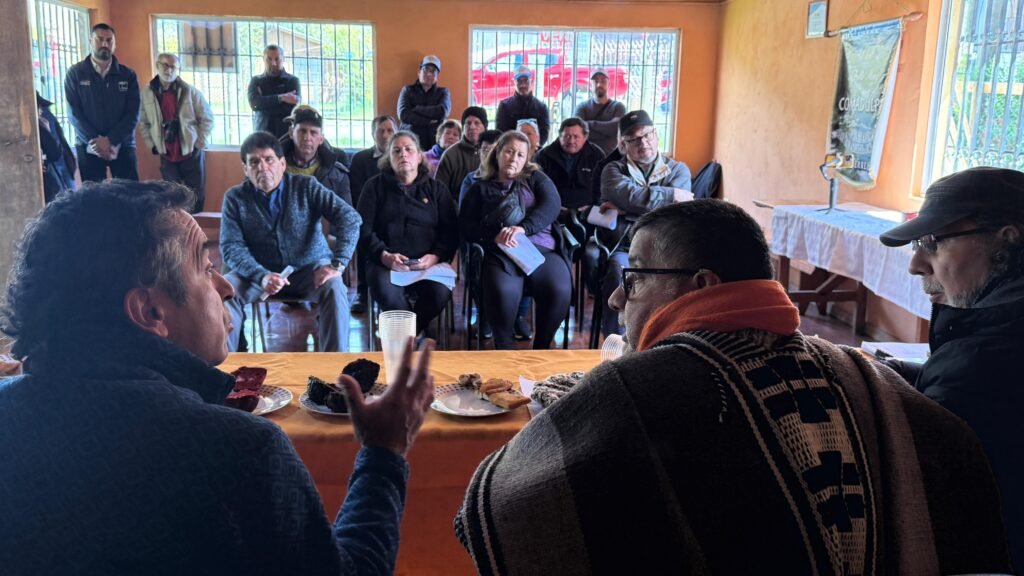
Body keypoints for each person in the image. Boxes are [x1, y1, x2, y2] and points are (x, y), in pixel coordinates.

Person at [456, 199, 1012, 575]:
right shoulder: (867, 377)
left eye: (635, 277)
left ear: (700, 286)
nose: (619, 298)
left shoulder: (631, 390)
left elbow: (499, 506)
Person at [0, 179, 437, 574]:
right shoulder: (241, 452)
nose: (226, 288)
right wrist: (383, 453)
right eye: (206, 269)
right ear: (150, 311)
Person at [879, 166, 1024, 569]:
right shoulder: (996, 334)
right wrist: (892, 372)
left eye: (932, 243)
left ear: (1006, 240)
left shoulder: (980, 367)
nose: (916, 264)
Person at [221, 131, 361, 353]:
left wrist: (338, 264)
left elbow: (350, 218)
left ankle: (334, 365)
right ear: (245, 169)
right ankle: (226, 365)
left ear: (282, 164)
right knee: (224, 290)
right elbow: (231, 247)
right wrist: (261, 275)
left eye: (269, 160)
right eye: (254, 162)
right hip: (259, 274)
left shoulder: (306, 186)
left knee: (334, 286)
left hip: (309, 270)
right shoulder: (235, 198)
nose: (262, 167)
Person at [459, 131, 571, 350]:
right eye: (509, 151)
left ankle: (541, 348)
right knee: (502, 294)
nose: (513, 158)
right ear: (497, 153)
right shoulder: (479, 187)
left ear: (526, 159)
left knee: (559, 289)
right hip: (501, 253)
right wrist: (492, 236)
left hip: (541, 249)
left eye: (520, 154)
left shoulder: (535, 179)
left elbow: (552, 204)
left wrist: (523, 228)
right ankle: (504, 350)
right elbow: (466, 225)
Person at [597, 110, 692, 338]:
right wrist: (671, 195)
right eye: (634, 139)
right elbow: (625, 194)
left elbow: (674, 212)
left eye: (647, 135)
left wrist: (628, 207)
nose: (643, 143)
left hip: (666, 246)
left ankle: (662, 342)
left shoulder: (678, 170)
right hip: (625, 245)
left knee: (680, 281)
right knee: (618, 275)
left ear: (656, 134)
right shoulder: (613, 169)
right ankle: (617, 343)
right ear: (623, 145)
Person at [358, 131, 458, 335]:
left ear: (419, 157)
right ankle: (412, 338)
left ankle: (408, 335)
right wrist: (384, 256)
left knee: (439, 293)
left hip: (428, 264)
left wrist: (435, 256)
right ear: (389, 159)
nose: (403, 154)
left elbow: (450, 232)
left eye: (408, 149)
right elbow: (363, 229)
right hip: (385, 262)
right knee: (388, 295)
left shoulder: (437, 190)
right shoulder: (373, 187)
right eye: (396, 151)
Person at [64, 23, 140, 182]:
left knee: (130, 193)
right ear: (91, 41)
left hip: (123, 144)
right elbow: (74, 113)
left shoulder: (128, 75)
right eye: (99, 39)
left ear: (115, 43)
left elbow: (133, 113)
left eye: (109, 40)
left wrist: (112, 140)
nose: (105, 44)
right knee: (93, 195)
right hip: (88, 144)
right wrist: (96, 141)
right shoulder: (75, 74)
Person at [139, 52, 213, 213]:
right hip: (166, 153)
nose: (169, 70)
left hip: (190, 151)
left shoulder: (189, 91)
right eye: (165, 65)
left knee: (196, 198)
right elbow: (143, 122)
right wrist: (153, 145)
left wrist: (198, 143)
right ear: (157, 66)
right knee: (171, 199)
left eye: (173, 67)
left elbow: (207, 118)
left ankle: (195, 228)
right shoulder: (147, 92)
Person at [349, 115, 398, 313]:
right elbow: (356, 192)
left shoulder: (401, 157)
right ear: (372, 134)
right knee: (363, 234)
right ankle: (363, 292)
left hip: (395, 215)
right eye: (381, 131)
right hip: (367, 215)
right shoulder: (361, 159)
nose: (385, 135)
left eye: (390, 130)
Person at [280, 105, 353, 206]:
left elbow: (347, 213)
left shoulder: (337, 175)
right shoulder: (273, 168)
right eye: (302, 131)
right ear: (291, 133)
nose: (307, 138)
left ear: (321, 139)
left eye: (313, 132)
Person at [536, 117, 606, 211]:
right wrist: (551, 205)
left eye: (576, 137)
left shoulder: (596, 155)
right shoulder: (544, 155)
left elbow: (605, 186)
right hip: (553, 209)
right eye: (567, 136)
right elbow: (536, 186)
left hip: (588, 209)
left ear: (585, 137)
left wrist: (594, 206)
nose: (571, 141)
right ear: (560, 135)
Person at [397, 55, 451, 150]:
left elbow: (443, 111)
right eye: (426, 70)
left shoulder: (443, 92)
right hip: (409, 142)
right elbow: (403, 114)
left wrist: (417, 109)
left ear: (437, 76)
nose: (429, 74)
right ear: (419, 72)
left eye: (433, 71)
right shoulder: (407, 90)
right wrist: (428, 121)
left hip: (434, 144)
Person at [435, 107, 488, 202]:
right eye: (468, 123)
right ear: (463, 127)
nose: (472, 127)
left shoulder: (493, 152)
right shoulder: (450, 155)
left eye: (477, 123)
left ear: (485, 126)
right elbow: (439, 191)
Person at [247, 45, 301, 138]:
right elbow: (254, 104)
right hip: (262, 133)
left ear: (283, 59)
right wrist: (281, 98)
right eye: (269, 59)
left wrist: (263, 104)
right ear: (263, 59)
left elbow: (291, 109)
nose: (273, 63)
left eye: (277, 59)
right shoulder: (256, 80)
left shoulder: (292, 81)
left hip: (285, 134)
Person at [574, 67, 626, 155]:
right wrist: (607, 132)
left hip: (609, 158)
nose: (599, 84)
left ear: (609, 84)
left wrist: (588, 125)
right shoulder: (581, 107)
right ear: (590, 85)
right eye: (596, 81)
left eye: (603, 81)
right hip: (585, 157)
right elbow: (577, 131)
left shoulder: (618, 107)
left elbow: (615, 130)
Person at [36, 91, 76, 203]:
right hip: (54, 173)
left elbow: (56, 149)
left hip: (59, 168)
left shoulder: (45, 117)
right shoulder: (39, 120)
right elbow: (55, 151)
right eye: (39, 107)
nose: (41, 110)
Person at [496, 66, 551, 145]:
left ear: (531, 81)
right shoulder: (504, 106)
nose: (523, 85)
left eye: (526, 81)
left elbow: (544, 134)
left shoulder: (542, 108)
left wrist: (533, 148)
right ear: (514, 82)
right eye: (519, 81)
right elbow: (501, 133)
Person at [458, 129, 502, 209]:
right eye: (485, 150)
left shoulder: (507, 177)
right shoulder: (470, 179)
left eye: (493, 150)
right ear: (479, 151)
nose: (489, 155)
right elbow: (463, 210)